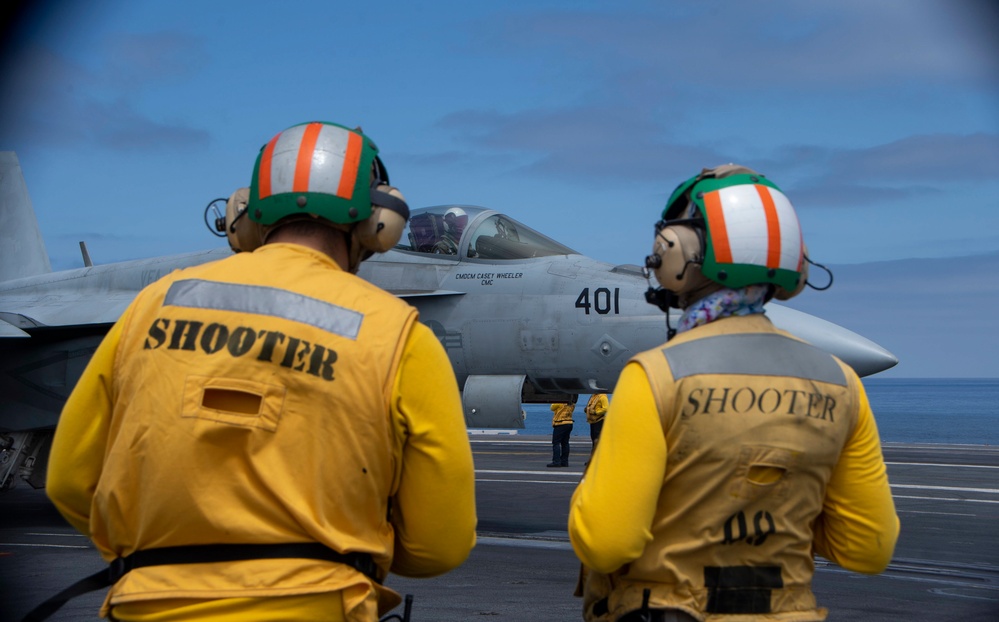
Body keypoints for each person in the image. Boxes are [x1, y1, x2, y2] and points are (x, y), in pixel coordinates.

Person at [43, 121, 477, 622]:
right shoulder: (400, 334)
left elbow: (70, 482)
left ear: (245, 215)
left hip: (146, 604)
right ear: (378, 223)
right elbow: (439, 547)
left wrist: (156, 556)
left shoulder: (153, 304)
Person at [568, 164, 899, 621]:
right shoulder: (840, 383)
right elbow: (868, 549)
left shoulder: (656, 375)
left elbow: (606, 543)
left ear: (677, 252)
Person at [548, 397, 576, 467]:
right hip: (569, 422)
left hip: (560, 423)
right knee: (565, 443)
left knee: (556, 443)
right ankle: (564, 461)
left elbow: (552, 407)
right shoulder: (572, 403)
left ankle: (556, 461)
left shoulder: (559, 401)